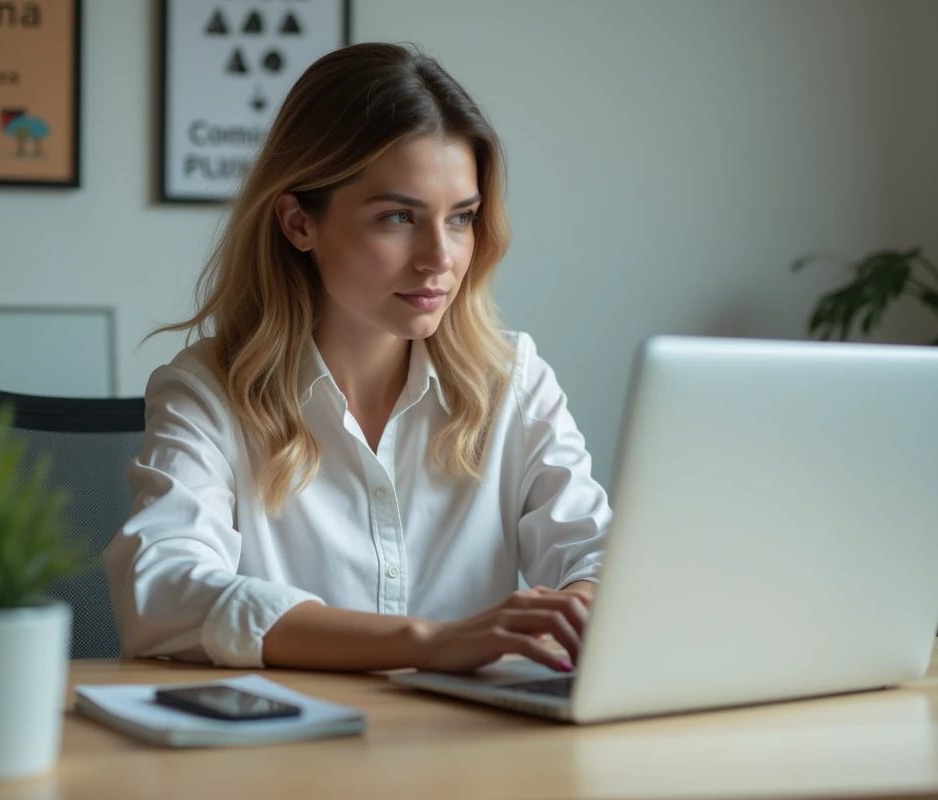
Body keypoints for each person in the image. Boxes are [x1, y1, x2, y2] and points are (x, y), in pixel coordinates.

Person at [104, 42, 611, 675]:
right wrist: (425, 643)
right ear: (298, 224)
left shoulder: (513, 380)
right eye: (399, 217)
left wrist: (585, 604)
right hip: (284, 761)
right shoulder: (208, 390)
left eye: (461, 218)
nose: (439, 258)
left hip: (474, 758)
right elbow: (164, 590)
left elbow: (596, 555)